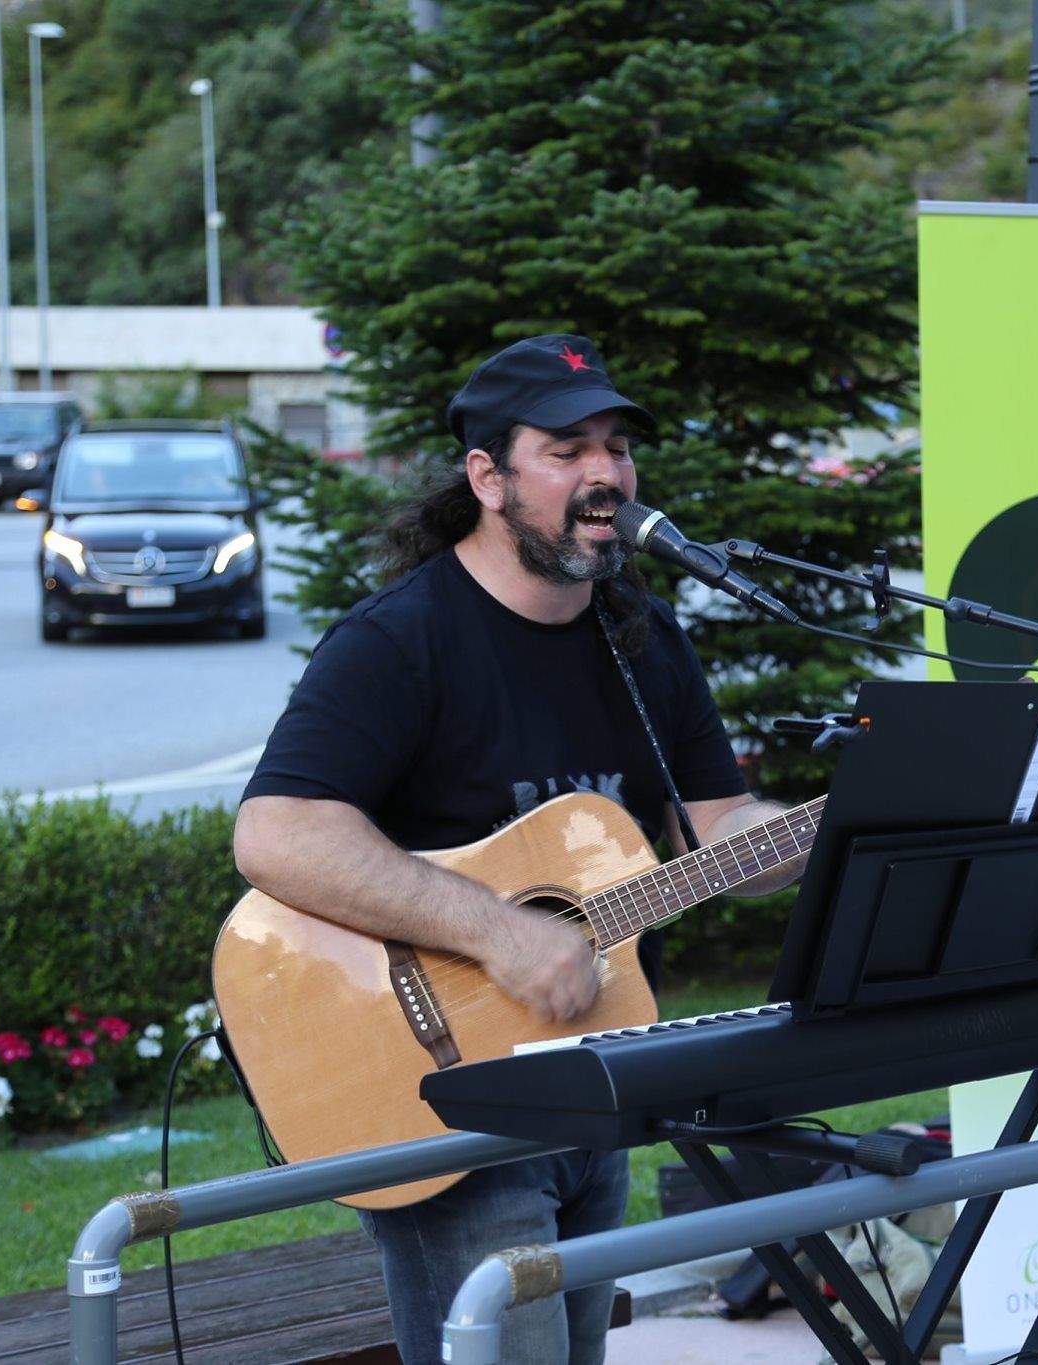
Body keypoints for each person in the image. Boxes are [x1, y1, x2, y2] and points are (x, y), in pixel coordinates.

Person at [231, 333, 807, 1363]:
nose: (607, 475)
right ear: (486, 478)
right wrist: (496, 931)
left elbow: (711, 826)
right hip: (450, 1100)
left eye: (618, 448)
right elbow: (276, 831)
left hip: (597, 1081)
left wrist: (834, 827)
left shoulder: (643, 635)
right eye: (567, 448)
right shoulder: (400, 641)